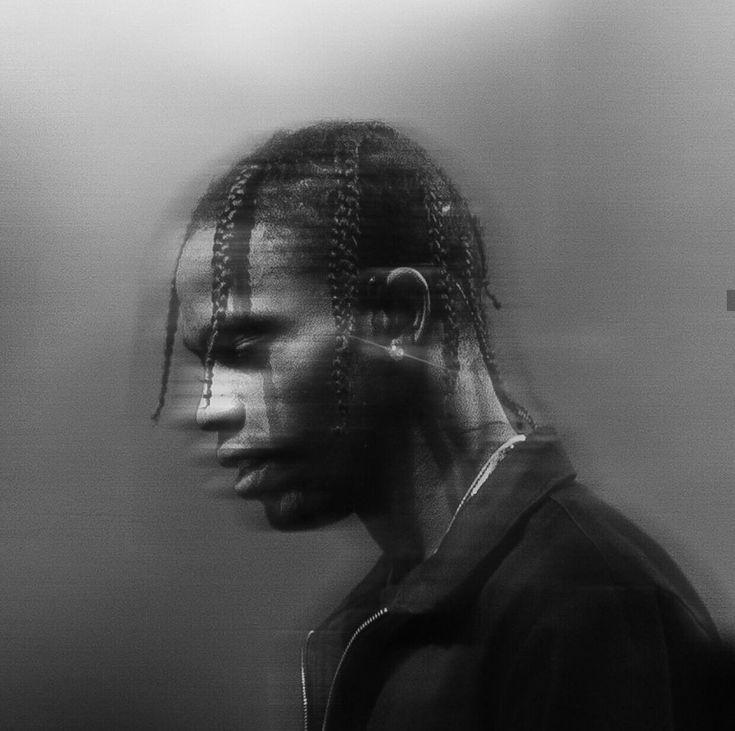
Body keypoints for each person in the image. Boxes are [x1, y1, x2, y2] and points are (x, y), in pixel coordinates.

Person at [154, 121, 730, 729]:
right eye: (204, 362)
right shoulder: (377, 623)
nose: (209, 406)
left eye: (246, 346)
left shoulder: (587, 608)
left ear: (400, 317)